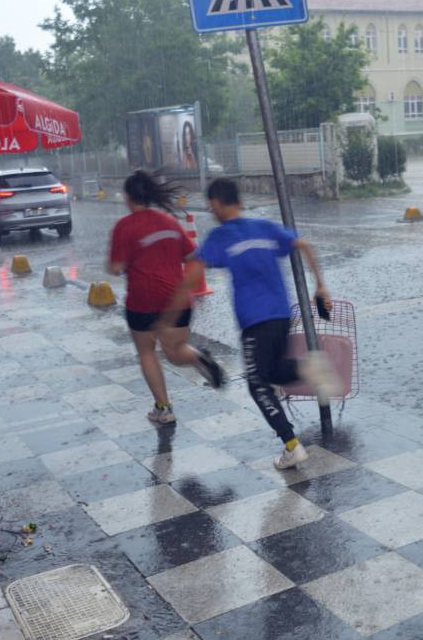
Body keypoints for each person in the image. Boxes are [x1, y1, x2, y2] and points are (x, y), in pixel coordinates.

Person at [163, 178, 340, 469]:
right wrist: (321, 287)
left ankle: (291, 445)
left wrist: (170, 317)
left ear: (216, 204)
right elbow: (304, 245)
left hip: (255, 321)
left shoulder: (222, 236)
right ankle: (308, 367)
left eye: (211, 205)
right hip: (282, 315)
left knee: (257, 385)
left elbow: (191, 276)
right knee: (271, 371)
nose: (211, 209)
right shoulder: (265, 227)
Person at [108, 169, 224, 424]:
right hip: (177, 300)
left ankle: (164, 408)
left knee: (147, 352)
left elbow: (115, 268)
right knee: (176, 350)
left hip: (143, 301)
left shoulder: (124, 227)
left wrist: (130, 262)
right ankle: (198, 357)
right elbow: (191, 255)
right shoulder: (170, 223)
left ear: (128, 198)